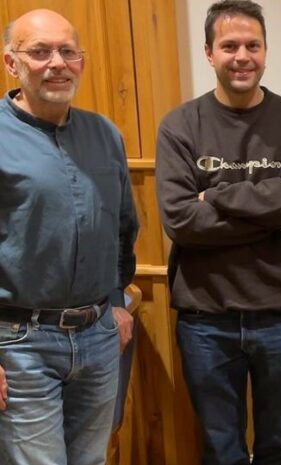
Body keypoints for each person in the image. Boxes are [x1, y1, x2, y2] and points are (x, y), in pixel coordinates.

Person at [154, 1, 281, 463]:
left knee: (280, 447)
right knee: (220, 449)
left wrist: (220, 196)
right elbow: (182, 222)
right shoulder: (180, 126)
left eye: (253, 45)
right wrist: (271, 210)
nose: (242, 56)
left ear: (266, 52)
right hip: (205, 318)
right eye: (229, 46)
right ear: (209, 53)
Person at [0, 8, 139, 464]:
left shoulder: (105, 134)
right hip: (21, 344)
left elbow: (122, 228)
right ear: (11, 62)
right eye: (39, 52)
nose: (56, 62)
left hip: (98, 337)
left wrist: (117, 304)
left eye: (67, 51)